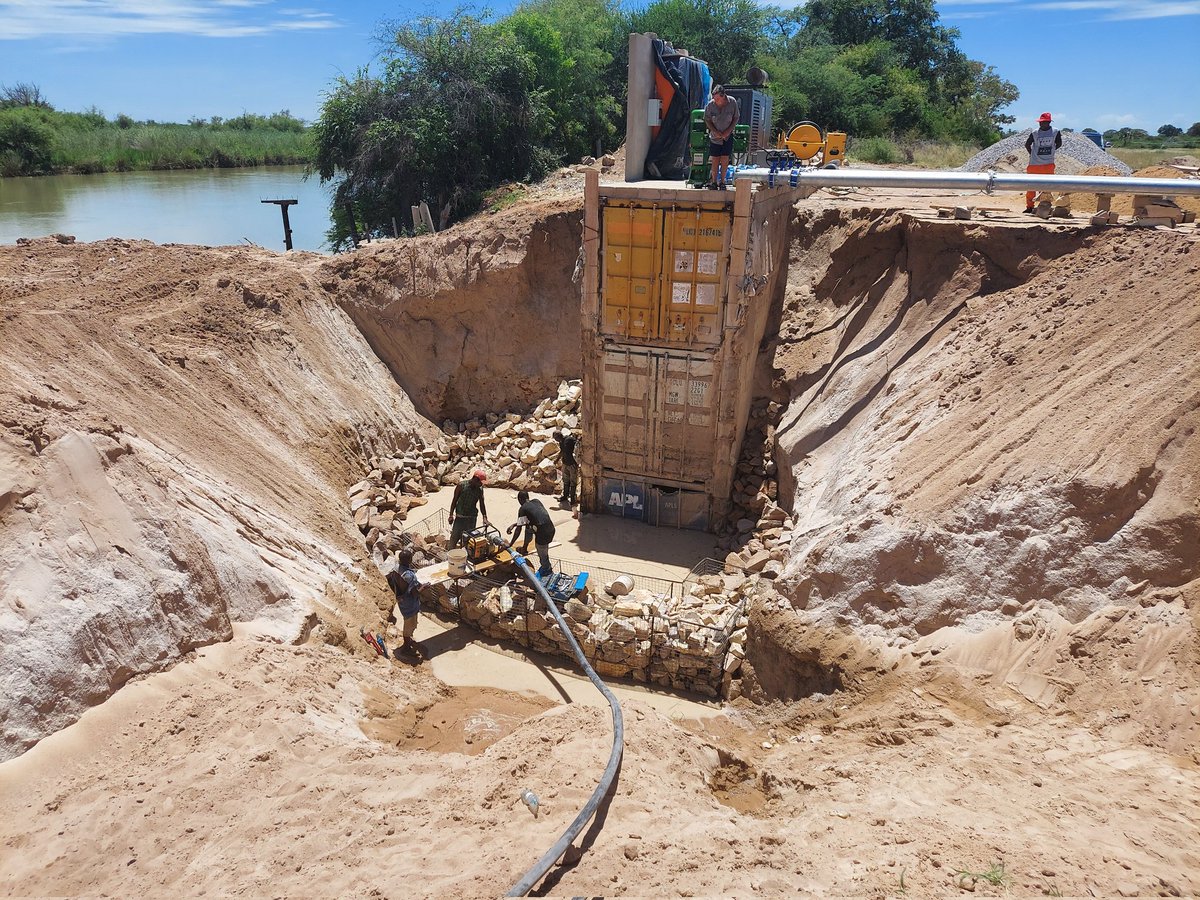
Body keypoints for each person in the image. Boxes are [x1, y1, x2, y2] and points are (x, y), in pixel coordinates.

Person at [507, 490, 555, 577]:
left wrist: (510, 544)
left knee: (542, 552)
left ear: (520, 499)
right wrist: (514, 524)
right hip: (551, 528)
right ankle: (524, 548)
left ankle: (547, 571)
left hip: (543, 533)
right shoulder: (536, 501)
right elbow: (534, 518)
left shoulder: (523, 508)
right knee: (528, 528)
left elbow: (518, 530)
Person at [386, 548, 424, 656]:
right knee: (409, 625)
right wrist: (424, 587)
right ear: (409, 560)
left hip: (402, 601)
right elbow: (415, 593)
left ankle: (408, 641)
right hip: (410, 604)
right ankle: (406, 646)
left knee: (408, 621)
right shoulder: (409, 576)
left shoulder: (396, 568)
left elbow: (391, 581)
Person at [703, 85, 740, 191]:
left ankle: (722, 182)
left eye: (717, 98)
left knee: (724, 159)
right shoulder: (710, 105)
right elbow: (707, 119)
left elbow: (736, 117)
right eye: (714, 98)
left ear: (723, 96)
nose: (715, 100)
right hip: (715, 137)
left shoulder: (732, 102)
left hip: (728, 136)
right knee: (715, 159)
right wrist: (715, 131)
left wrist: (728, 131)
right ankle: (714, 182)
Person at [1024, 112, 1062, 213]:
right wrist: (1032, 154)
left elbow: (1059, 143)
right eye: (1040, 122)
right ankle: (1029, 207)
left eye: (1043, 122)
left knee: (1046, 188)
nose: (1041, 124)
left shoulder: (1055, 132)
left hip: (1048, 164)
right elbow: (1027, 144)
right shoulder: (1034, 133)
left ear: (1049, 122)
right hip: (1034, 164)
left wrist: (1052, 151)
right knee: (1031, 187)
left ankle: (1043, 207)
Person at [448, 469, 488, 549]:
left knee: (469, 539)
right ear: (475, 479)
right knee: (454, 538)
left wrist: (484, 517)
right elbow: (454, 500)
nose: (481, 485)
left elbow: (482, 504)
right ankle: (450, 554)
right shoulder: (461, 486)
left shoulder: (480, 490)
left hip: (471, 518)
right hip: (460, 517)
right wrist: (451, 515)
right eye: (480, 482)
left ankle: (465, 556)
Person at [553, 430, 578, 507]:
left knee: (573, 481)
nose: (555, 440)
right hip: (565, 463)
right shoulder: (561, 442)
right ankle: (565, 496)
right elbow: (562, 451)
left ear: (559, 436)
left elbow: (578, 446)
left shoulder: (569, 440)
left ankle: (573, 499)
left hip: (572, 464)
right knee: (566, 480)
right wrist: (557, 460)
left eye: (555, 438)